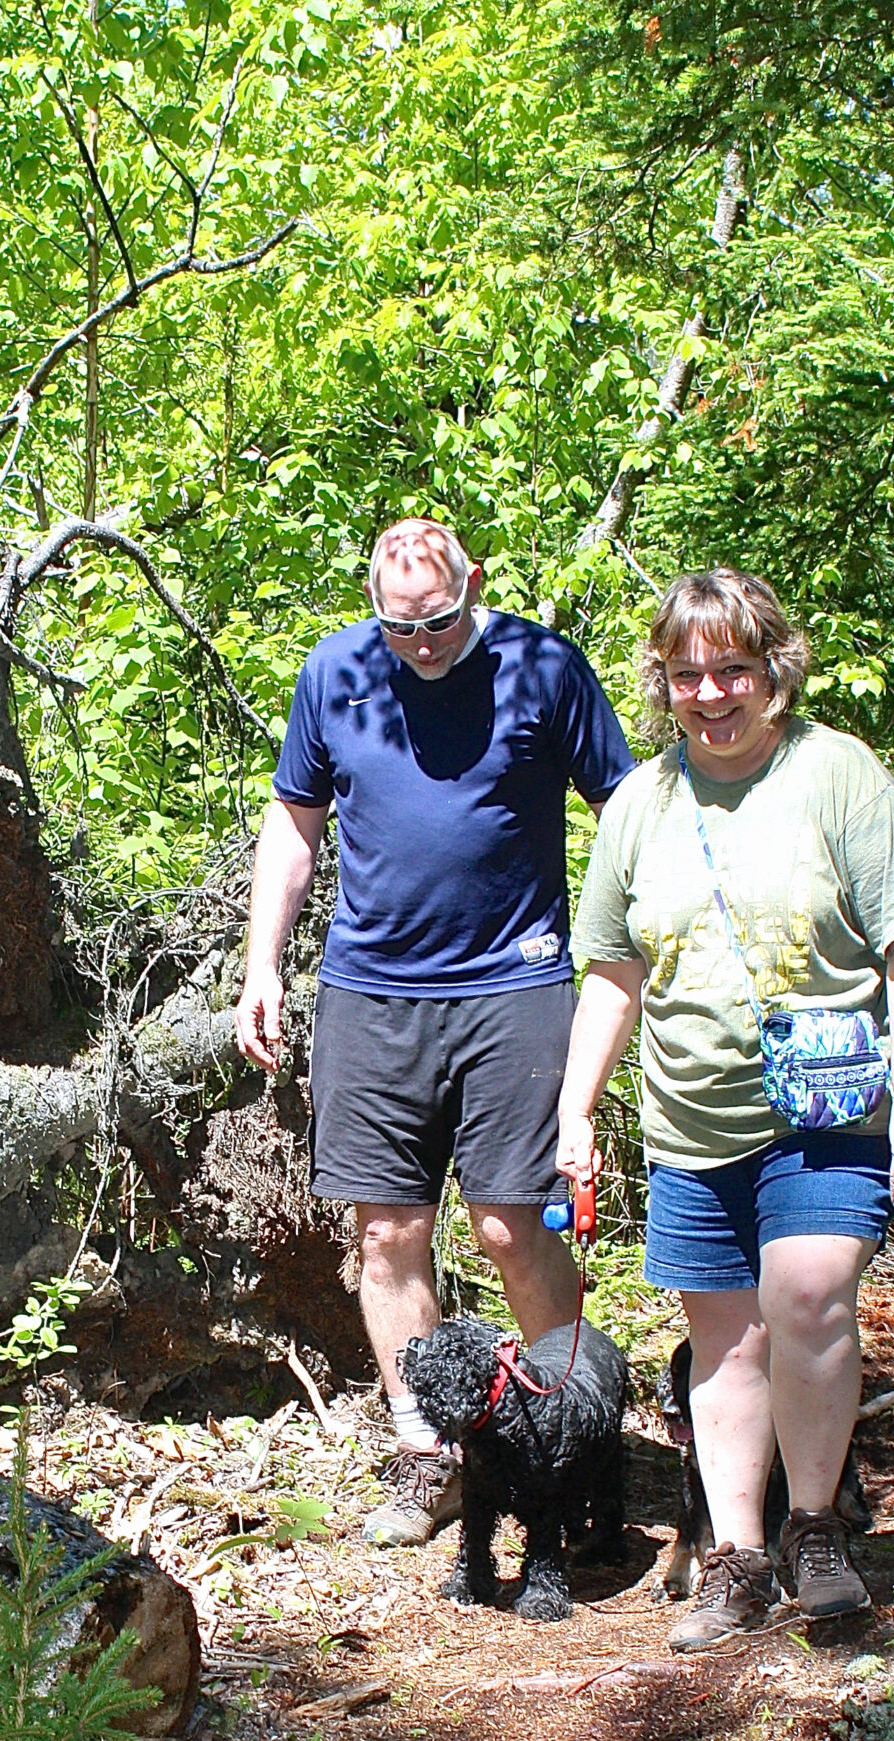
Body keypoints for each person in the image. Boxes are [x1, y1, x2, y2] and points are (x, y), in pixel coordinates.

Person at [558, 566, 894, 1649]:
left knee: (808, 1296)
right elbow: (611, 971)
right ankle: (734, 1556)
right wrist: (574, 1109)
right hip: (692, 1111)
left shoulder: (838, 779)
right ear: (662, 685)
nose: (710, 692)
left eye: (730, 668)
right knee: (721, 1341)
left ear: (773, 671)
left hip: (825, 1106)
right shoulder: (641, 802)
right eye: (686, 674)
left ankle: (814, 1529)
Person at [235, 518, 634, 1543]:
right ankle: (431, 1452)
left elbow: (625, 810)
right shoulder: (335, 673)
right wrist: (259, 965)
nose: (419, 643)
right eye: (398, 626)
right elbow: (294, 820)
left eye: (440, 621)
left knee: (510, 1227)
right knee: (387, 1236)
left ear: (475, 585)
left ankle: (569, 1448)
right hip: (372, 992)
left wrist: (628, 957)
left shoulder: (541, 666)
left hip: (516, 985)